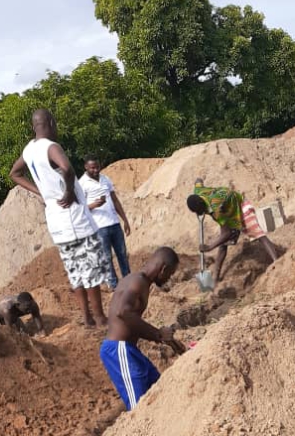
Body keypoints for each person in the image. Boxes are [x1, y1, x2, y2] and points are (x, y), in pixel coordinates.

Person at [10, 109, 112, 327]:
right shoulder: (51, 147)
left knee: (75, 271)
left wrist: (42, 192)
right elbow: (67, 169)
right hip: (74, 219)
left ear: (33, 127)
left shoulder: (29, 150)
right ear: (51, 123)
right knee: (90, 269)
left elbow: (15, 174)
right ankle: (101, 317)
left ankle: (86, 318)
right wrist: (68, 192)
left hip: (57, 222)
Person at [100, 247, 185, 411]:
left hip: (130, 350)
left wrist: (166, 340)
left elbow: (132, 321)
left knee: (157, 386)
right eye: (170, 274)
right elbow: (123, 312)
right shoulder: (137, 282)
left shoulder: (139, 281)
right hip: (119, 351)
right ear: (163, 269)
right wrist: (158, 334)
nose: (168, 278)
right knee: (140, 409)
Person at [186, 178, 279, 284]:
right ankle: (215, 278)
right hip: (227, 212)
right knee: (222, 244)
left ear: (202, 204)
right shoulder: (198, 191)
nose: (199, 214)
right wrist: (198, 183)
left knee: (258, 234)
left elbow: (227, 233)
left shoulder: (215, 209)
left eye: (199, 211)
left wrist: (209, 247)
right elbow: (198, 180)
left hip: (240, 205)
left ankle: (277, 262)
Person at [79, 155, 132, 290]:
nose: (96, 170)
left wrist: (124, 220)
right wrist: (94, 205)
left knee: (122, 254)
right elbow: (80, 208)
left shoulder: (105, 179)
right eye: (92, 168)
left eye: (97, 167)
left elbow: (115, 200)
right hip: (99, 227)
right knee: (106, 258)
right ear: (86, 167)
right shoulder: (82, 183)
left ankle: (128, 281)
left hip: (114, 223)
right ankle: (114, 285)